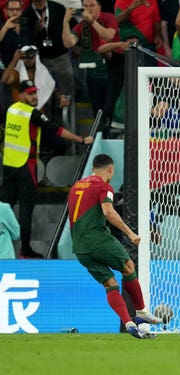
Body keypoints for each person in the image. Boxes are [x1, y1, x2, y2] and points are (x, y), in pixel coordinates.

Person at [68, 154, 162, 339]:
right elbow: (108, 212)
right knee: (128, 266)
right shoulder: (104, 186)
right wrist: (130, 233)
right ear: (110, 169)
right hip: (98, 241)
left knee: (110, 284)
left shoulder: (76, 186)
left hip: (80, 248)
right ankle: (141, 311)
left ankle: (129, 323)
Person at [0, 80, 94, 259]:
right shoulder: (32, 114)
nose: (34, 96)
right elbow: (57, 130)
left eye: (35, 92)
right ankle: (25, 250)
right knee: (26, 209)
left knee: (3, 207)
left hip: (9, 165)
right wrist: (81, 140)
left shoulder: (11, 109)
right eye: (30, 93)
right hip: (25, 167)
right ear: (20, 95)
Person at [61, 0, 119, 117]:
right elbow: (68, 43)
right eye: (85, 6)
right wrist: (65, 22)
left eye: (92, 5)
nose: (88, 9)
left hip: (114, 71)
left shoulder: (108, 17)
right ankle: (99, 133)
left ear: (99, 7)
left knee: (113, 110)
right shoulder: (82, 24)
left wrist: (92, 21)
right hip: (94, 75)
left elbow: (108, 36)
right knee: (98, 111)